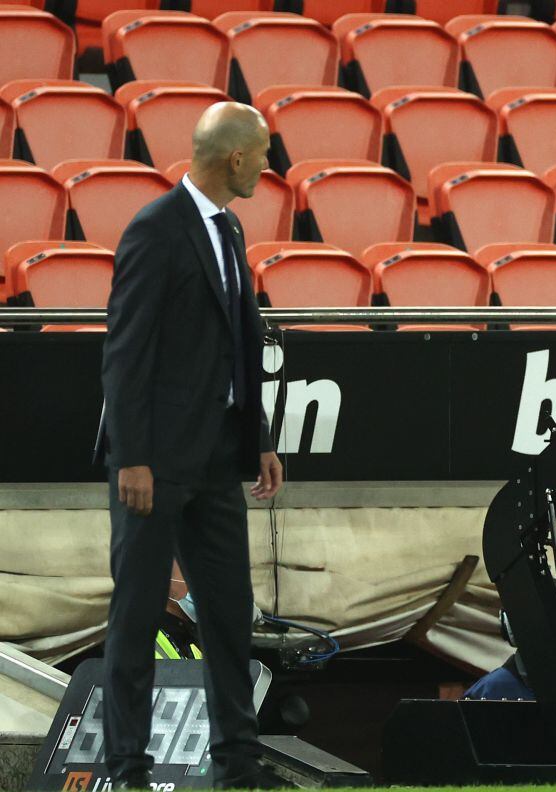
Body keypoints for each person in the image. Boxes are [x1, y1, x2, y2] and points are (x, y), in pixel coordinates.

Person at [97, 102, 283, 789]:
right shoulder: (155, 229)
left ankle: (238, 762)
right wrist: (132, 456)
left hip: (214, 461)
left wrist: (255, 437)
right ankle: (128, 770)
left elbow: (240, 342)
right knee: (137, 616)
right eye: (262, 152)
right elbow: (125, 353)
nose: (269, 164)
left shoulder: (228, 228)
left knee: (231, 614)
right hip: (155, 465)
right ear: (234, 158)